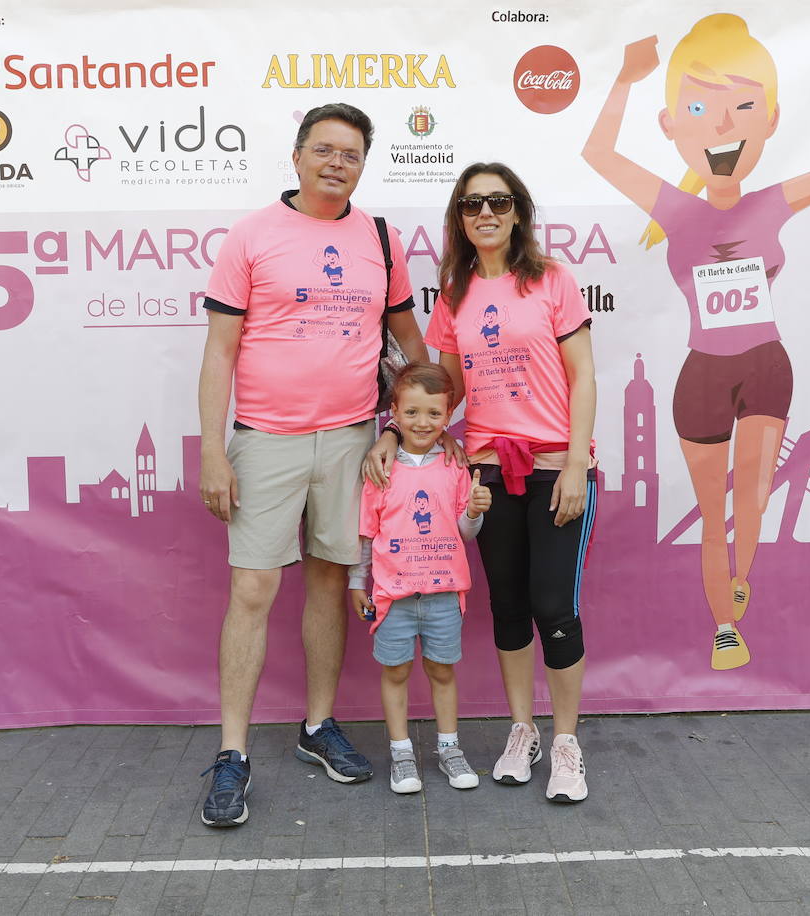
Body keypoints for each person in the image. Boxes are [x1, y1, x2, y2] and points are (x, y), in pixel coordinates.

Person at [582, 14, 810, 670]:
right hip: (703, 375)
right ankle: (725, 625)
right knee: (716, 512)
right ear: (671, 125)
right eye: (700, 107)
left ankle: (741, 581)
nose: (721, 124)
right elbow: (598, 156)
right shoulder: (674, 209)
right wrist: (624, 78)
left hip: (765, 366)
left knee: (754, 499)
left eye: (742, 106)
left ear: (769, 118)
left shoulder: (771, 201)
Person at [196, 103, 432, 828]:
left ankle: (317, 728)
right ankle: (233, 754)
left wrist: (404, 429)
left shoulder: (382, 241)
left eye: (352, 154)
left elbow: (412, 354)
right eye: (324, 150)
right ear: (297, 157)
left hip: (353, 439)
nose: (337, 163)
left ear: (364, 163)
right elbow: (221, 353)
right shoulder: (252, 236)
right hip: (266, 439)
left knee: (330, 583)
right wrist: (213, 449)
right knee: (255, 589)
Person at [367, 162, 598, 803]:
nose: (486, 213)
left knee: (555, 606)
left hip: (555, 468)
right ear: (460, 219)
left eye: (498, 202)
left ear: (517, 211)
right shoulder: (454, 295)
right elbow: (441, 394)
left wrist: (577, 461)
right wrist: (393, 431)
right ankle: (521, 731)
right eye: (472, 205)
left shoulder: (553, 281)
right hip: (488, 470)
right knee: (507, 609)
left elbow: (584, 375)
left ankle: (566, 744)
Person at [348, 363, 492, 794]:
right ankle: (402, 753)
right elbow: (365, 531)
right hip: (393, 596)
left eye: (433, 414)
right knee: (395, 673)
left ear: (448, 416)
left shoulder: (455, 463)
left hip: (444, 594)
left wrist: (473, 512)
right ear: (394, 412)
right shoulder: (380, 467)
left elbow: (465, 534)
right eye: (411, 413)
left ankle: (449, 749)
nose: (422, 422)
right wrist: (357, 582)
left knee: (442, 671)